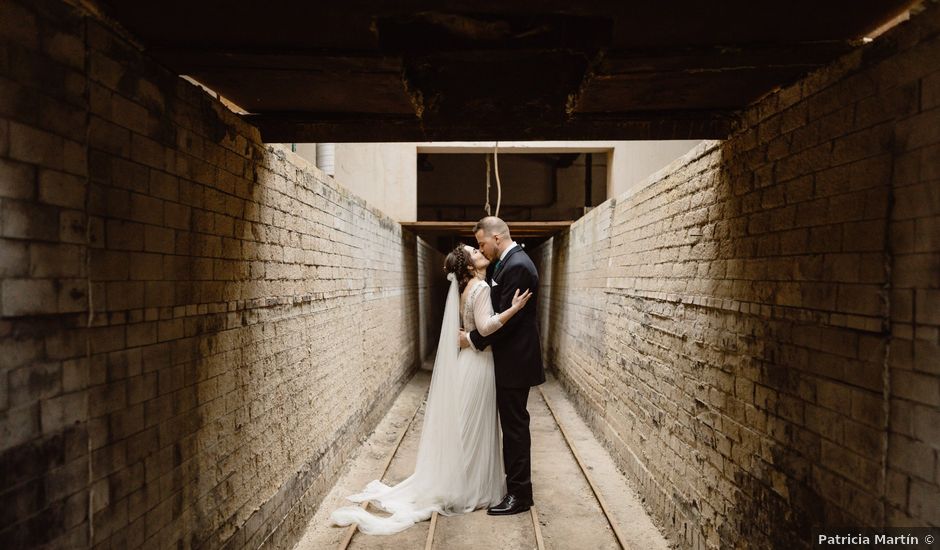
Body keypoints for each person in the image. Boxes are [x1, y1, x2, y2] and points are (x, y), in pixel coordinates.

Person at [331, 244, 532, 535]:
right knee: (473, 427)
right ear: (469, 267)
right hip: (478, 366)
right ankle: (469, 486)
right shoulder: (481, 289)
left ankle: (462, 480)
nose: (480, 252)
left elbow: (469, 330)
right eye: (474, 252)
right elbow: (486, 328)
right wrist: (514, 309)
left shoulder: (468, 288)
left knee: (465, 427)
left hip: (469, 362)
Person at [460, 216, 545, 516]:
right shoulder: (506, 263)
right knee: (512, 426)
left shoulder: (519, 266)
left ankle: (520, 495)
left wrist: (471, 339)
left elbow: (510, 323)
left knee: (515, 428)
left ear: (497, 238)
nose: (481, 248)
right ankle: (515, 488)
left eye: (482, 243)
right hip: (509, 359)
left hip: (516, 360)